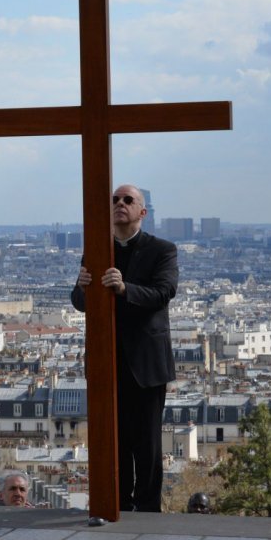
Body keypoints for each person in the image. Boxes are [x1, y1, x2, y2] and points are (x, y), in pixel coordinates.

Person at [71, 184, 178, 513]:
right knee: (113, 440)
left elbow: (164, 292)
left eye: (127, 200)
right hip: (108, 360)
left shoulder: (162, 249)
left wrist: (124, 288)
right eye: (115, 199)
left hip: (145, 364)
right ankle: (116, 503)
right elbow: (79, 302)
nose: (119, 204)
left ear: (142, 212)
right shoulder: (97, 249)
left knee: (146, 444)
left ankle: (147, 510)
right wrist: (82, 288)